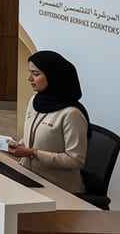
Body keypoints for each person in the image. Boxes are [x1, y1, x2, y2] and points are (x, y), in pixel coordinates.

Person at [6, 51, 89, 193]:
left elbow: (76, 160)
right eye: (30, 72)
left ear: (53, 76)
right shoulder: (35, 101)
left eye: (36, 74)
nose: (29, 78)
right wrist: (20, 145)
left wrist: (32, 153)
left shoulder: (72, 114)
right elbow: (34, 137)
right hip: (28, 176)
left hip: (58, 187)